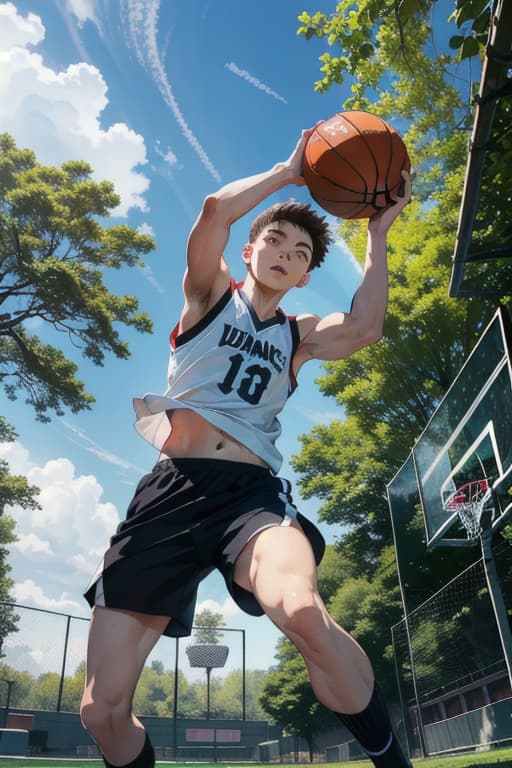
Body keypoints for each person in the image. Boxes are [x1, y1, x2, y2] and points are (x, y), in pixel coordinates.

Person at [80, 126, 412, 768]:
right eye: (274, 240)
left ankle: (391, 761)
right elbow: (213, 213)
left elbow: (368, 325)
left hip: (250, 498)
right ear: (254, 248)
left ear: (308, 272)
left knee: (302, 611)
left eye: (300, 251)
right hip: (170, 494)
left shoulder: (300, 336)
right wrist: (289, 172)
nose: (285, 252)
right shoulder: (208, 299)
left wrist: (377, 236)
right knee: (102, 711)